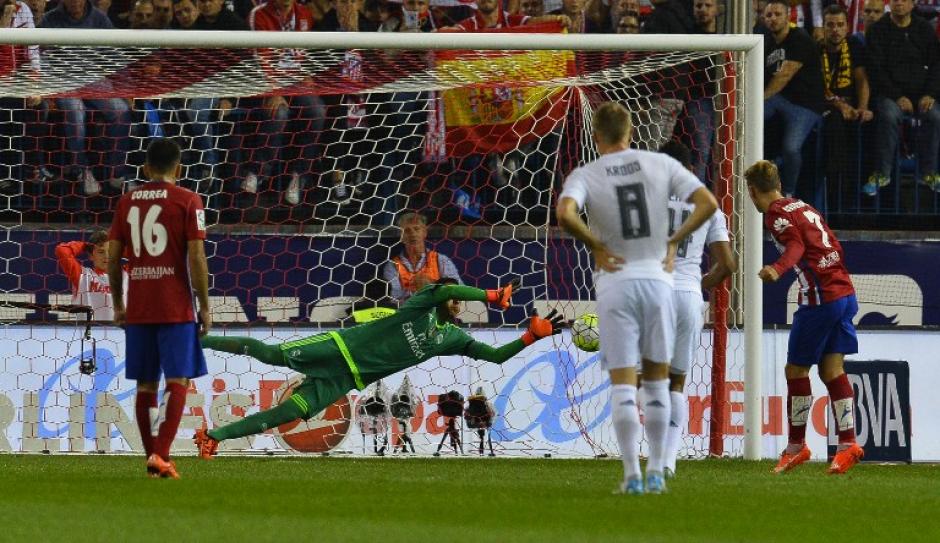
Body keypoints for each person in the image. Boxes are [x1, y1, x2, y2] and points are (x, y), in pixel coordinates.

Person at [193, 277, 564, 458]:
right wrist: (491, 295)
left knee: (290, 412)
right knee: (270, 354)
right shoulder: (422, 303)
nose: (456, 302)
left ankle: (214, 438)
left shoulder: (451, 337)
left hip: (349, 377)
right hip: (340, 348)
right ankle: (195, 340)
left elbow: (495, 356)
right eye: (454, 296)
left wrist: (531, 337)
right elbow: (442, 292)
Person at [555, 102, 718, 494]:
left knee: (624, 384)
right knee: (660, 382)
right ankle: (659, 472)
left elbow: (564, 214)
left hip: (615, 281)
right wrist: (673, 241)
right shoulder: (660, 165)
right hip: (659, 281)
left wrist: (594, 243)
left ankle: (631, 475)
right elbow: (708, 204)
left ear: (596, 137)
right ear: (631, 132)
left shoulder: (586, 173)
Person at [743, 160, 864, 475]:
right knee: (832, 370)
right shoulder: (801, 205)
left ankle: (796, 446)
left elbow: (796, 246)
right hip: (844, 292)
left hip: (821, 298)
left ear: (753, 191)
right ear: (779, 183)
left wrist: (777, 268)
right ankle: (848, 443)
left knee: (795, 369)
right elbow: (830, 243)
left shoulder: (776, 214)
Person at [107, 139, 212, 479]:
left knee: (146, 386)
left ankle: (153, 456)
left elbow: (112, 257)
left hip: (139, 305)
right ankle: (161, 454)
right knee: (178, 380)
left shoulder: (126, 202)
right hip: (175, 306)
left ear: (147, 168)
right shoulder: (188, 200)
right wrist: (205, 306)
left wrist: (119, 303)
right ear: (178, 168)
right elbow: (196, 256)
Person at [658, 141, 735, 478]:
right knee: (676, 382)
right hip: (687, 296)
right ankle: (669, 460)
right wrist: (697, 286)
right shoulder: (710, 206)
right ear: (692, 169)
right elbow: (727, 264)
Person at [40, 0, 133, 196]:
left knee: (121, 111)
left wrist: (126, 88)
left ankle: (117, 173)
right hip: (62, 81)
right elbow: (37, 54)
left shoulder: (99, 18)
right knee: (75, 113)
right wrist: (45, 85)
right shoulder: (50, 20)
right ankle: (82, 170)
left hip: (93, 79)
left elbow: (115, 54)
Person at [865, 0, 940, 195]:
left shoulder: (925, 29)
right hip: (890, 94)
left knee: (935, 116)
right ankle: (883, 173)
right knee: (888, 115)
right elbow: (876, 70)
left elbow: (936, 65)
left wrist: (930, 94)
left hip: (922, 94)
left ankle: (928, 173)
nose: (899, 2)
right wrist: (897, 96)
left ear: (913, 3)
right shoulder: (877, 30)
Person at [762, 0, 826, 198]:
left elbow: (784, 76)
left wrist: (760, 99)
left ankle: (788, 191)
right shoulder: (767, 42)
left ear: (788, 16)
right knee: (748, 119)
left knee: (791, 147)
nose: (773, 18)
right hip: (780, 99)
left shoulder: (800, 38)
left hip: (805, 104)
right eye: (769, 15)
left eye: (778, 14)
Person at [819, 4, 872, 202]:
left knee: (869, 122)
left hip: (852, 106)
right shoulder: (816, 49)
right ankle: (837, 194)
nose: (835, 29)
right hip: (826, 107)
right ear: (823, 27)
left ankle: (865, 194)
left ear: (847, 27)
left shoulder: (855, 46)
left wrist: (863, 107)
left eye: (840, 25)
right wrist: (840, 105)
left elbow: (861, 79)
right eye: (830, 25)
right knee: (836, 124)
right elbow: (817, 87)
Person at [382, 212, 463, 302]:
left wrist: (432, 286)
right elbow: (392, 299)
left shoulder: (441, 260)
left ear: (424, 233)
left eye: (416, 229)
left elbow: (459, 290)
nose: (412, 234)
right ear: (401, 237)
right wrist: (414, 290)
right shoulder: (393, 266)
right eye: (407, 231)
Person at [55, 229, 128, 321]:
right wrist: (86, 245)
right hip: (88, 333)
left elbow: (139, 256)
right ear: (91, 256)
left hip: (120, 333)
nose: (107, 256)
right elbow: (61, 250)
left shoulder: (126, 274)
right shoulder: (82, 276)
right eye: (101, 252)